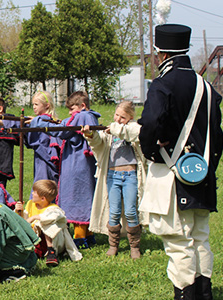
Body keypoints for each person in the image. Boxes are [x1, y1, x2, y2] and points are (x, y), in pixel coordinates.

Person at [138, 24, 223, 299]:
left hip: (172, 172)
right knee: (200, 238)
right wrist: (207, 168)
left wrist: (151, 150)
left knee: (178, 241)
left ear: (161, 54)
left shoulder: (163, 83)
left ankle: (185, 295)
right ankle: (204, 293)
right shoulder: (207, 87)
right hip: (202, 174)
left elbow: (150, 122)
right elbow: (217, 134)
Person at [35, 91, 100, 249]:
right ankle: (89, 235)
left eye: (72, 109)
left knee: (77, 197)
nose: (70, 113)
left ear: (82, 106)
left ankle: (80, 238)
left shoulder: (83, 116)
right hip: (80, 163)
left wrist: (41, 123)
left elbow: (62, 130)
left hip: (78, 166)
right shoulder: (87, 117)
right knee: (82, 196)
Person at [82, 101, 147, 259]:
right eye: (116, 115)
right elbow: (98, 143)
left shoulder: (132, 130)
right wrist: (91, 135)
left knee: (131, 211)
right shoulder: (109, 131)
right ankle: (113, 245)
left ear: (130, 118)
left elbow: (137, 134)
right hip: (113, 176)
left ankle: (134, 246)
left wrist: (119, 130)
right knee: (114, 211)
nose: (118, 119)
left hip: (130, 175)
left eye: (122, 117)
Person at [0, 91, 61, 193]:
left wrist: (4, 122)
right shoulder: (40, 120)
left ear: (47, 105)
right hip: (40, 158)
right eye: (33, 104)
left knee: (43, 185)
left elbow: (24, 124)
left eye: (36, 104)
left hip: (45, 159)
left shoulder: (45, 120)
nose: (34, 107)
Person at [16, 180, 82, 267]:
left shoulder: (54, 209)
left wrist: (34, 217)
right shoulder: (31, 204)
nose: (32, 194)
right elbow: (23, 222)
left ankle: (51, 251)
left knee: (45, 222)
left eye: (34, 192)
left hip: (52, 241)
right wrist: (18, 211)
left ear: (43, 198)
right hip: (35, 238)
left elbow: (53, 217)